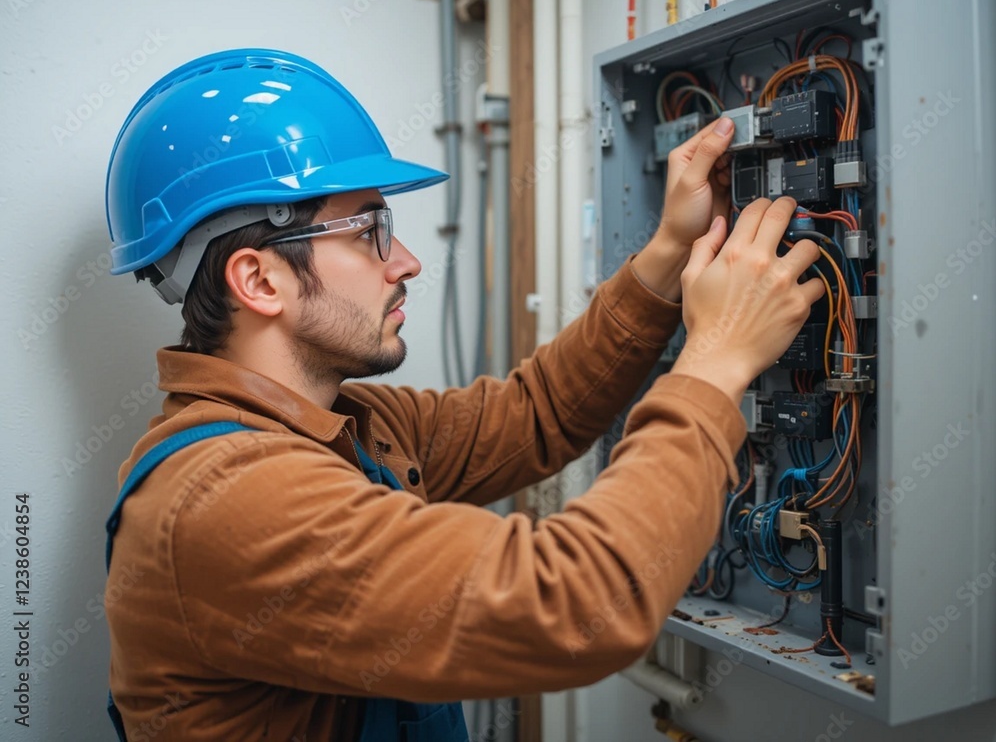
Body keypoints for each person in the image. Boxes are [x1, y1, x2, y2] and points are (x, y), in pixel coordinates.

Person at [102, 48, 822, 741]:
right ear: (260, 281)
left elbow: (533, 415)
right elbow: (574, 605)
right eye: (370, 231)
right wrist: (715, 364)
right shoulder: (228, 502)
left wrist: (669, 254)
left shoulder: (342, 423)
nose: (407, 262)